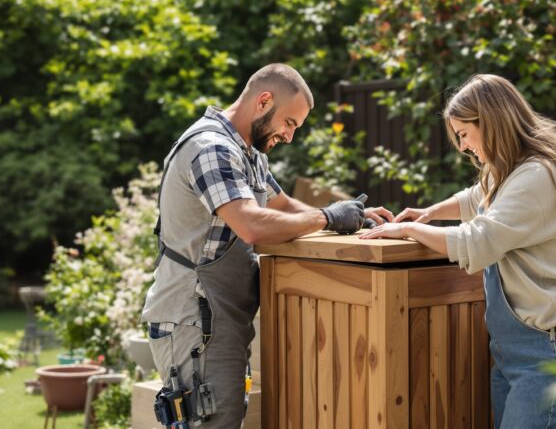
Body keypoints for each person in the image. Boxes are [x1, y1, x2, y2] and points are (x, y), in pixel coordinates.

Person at [142, 63, 393, 428]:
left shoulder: (248, 153)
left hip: (218, 320)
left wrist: (351, 218)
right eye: (289, 123)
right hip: (192, 320)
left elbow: (283, 205)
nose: (289, 136)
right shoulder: (211, 148)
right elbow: (251, 224)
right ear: (263, 101)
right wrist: (326, 217)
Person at [361, 74, 556, 428]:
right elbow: (477, 197)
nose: (462, 146)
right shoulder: (513, 172)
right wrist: (430, 212)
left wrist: (410, 229)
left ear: (489, 120)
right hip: (516, 356)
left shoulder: (537, 176)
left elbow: (479, 240)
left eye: (463, 134)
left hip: (548, 356)